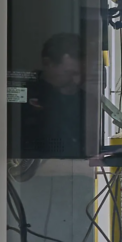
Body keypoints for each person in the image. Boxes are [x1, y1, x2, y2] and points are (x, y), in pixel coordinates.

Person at [21, 31, 90, 159]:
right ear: (48, 63)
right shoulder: (23, 97)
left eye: (81, 73)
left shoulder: (86, 101)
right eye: (69, 73)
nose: (77, 81)